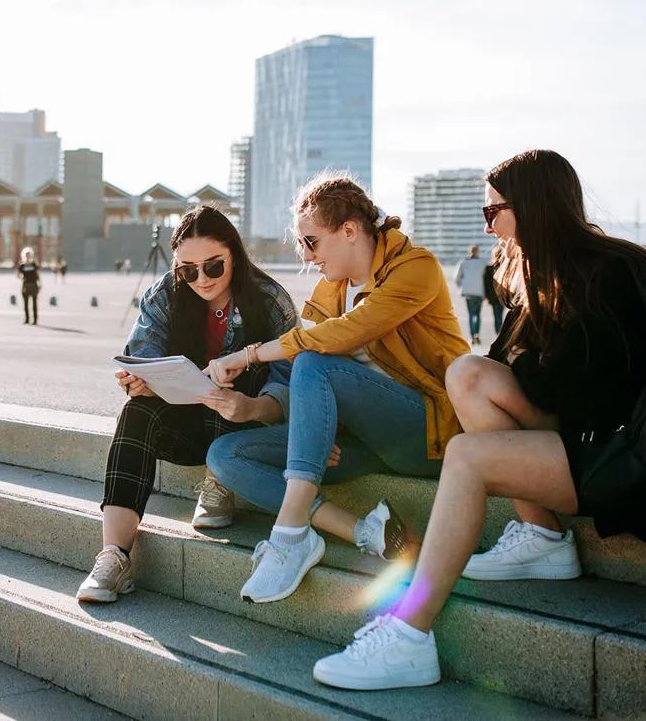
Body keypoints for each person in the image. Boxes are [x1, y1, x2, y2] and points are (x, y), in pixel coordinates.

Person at [310, 149, 646, 691]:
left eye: (494, 212)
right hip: (591, 439)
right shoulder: (545, 275)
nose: (489, 225)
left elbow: (594, 389)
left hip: (631, 456)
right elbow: (511, 370)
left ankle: (408, 636)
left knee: (468, 455)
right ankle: (543, 537)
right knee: (468, 375)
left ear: (534, 208)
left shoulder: (611, 271)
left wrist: (526, 386)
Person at [206, 173, 469, 604]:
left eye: (311, 242)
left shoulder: (415, 268)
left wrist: (248, 355)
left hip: (429, 433)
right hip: (363, 440)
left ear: (349, 231)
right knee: (225, 455)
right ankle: (363, 530)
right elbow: (299, 375)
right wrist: (308, 426)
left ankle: (290, 537)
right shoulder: (331, 289)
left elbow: (338, 338)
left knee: (315, 359)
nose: (307, 258)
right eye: (300, 245)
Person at [76, 205, 299, 603]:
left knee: (245, 370)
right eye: (187, 269)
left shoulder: (268, 300)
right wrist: (139, 382)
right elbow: (142, 352)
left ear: (235, 254)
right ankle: (113, 556)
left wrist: (251, 406)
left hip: (246, 427)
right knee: (136, 412)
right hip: (186, 426)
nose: (200, 279)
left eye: (213, 267)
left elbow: (288, 385)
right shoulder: (166, 293)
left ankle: (220, 482)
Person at [455, 245, 487, 345]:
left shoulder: (463, 262)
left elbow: (457, 277)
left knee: (471, 314)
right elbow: (487, 277)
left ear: (470, 252)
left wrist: (462, 286)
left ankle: (472, 336)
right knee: (477, 314)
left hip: (468, 292)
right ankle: (477, 334)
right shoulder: (483, 263)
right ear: (478, 252)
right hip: (479, 292)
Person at [483, 245, 506, 334]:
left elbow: (486, 284)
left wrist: (486, 295)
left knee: (497, 316)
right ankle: (500, 333)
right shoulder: (505, 267)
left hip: (493, 296)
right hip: (503, 295)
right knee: (500, 315)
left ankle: (498, 333)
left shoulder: (489, 268)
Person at [18, 247, 41, 325]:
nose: (28, 256)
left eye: (29, 255)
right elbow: (19, 275)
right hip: (25, 285)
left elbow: (38, 275)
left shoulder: (34, 265)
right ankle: (27, 319)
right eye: (26, 255)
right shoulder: (22, 266)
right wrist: (21, 277)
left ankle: (35, 320)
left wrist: (40, 284)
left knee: (34, 303)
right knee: (26, 304)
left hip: (34, 285)